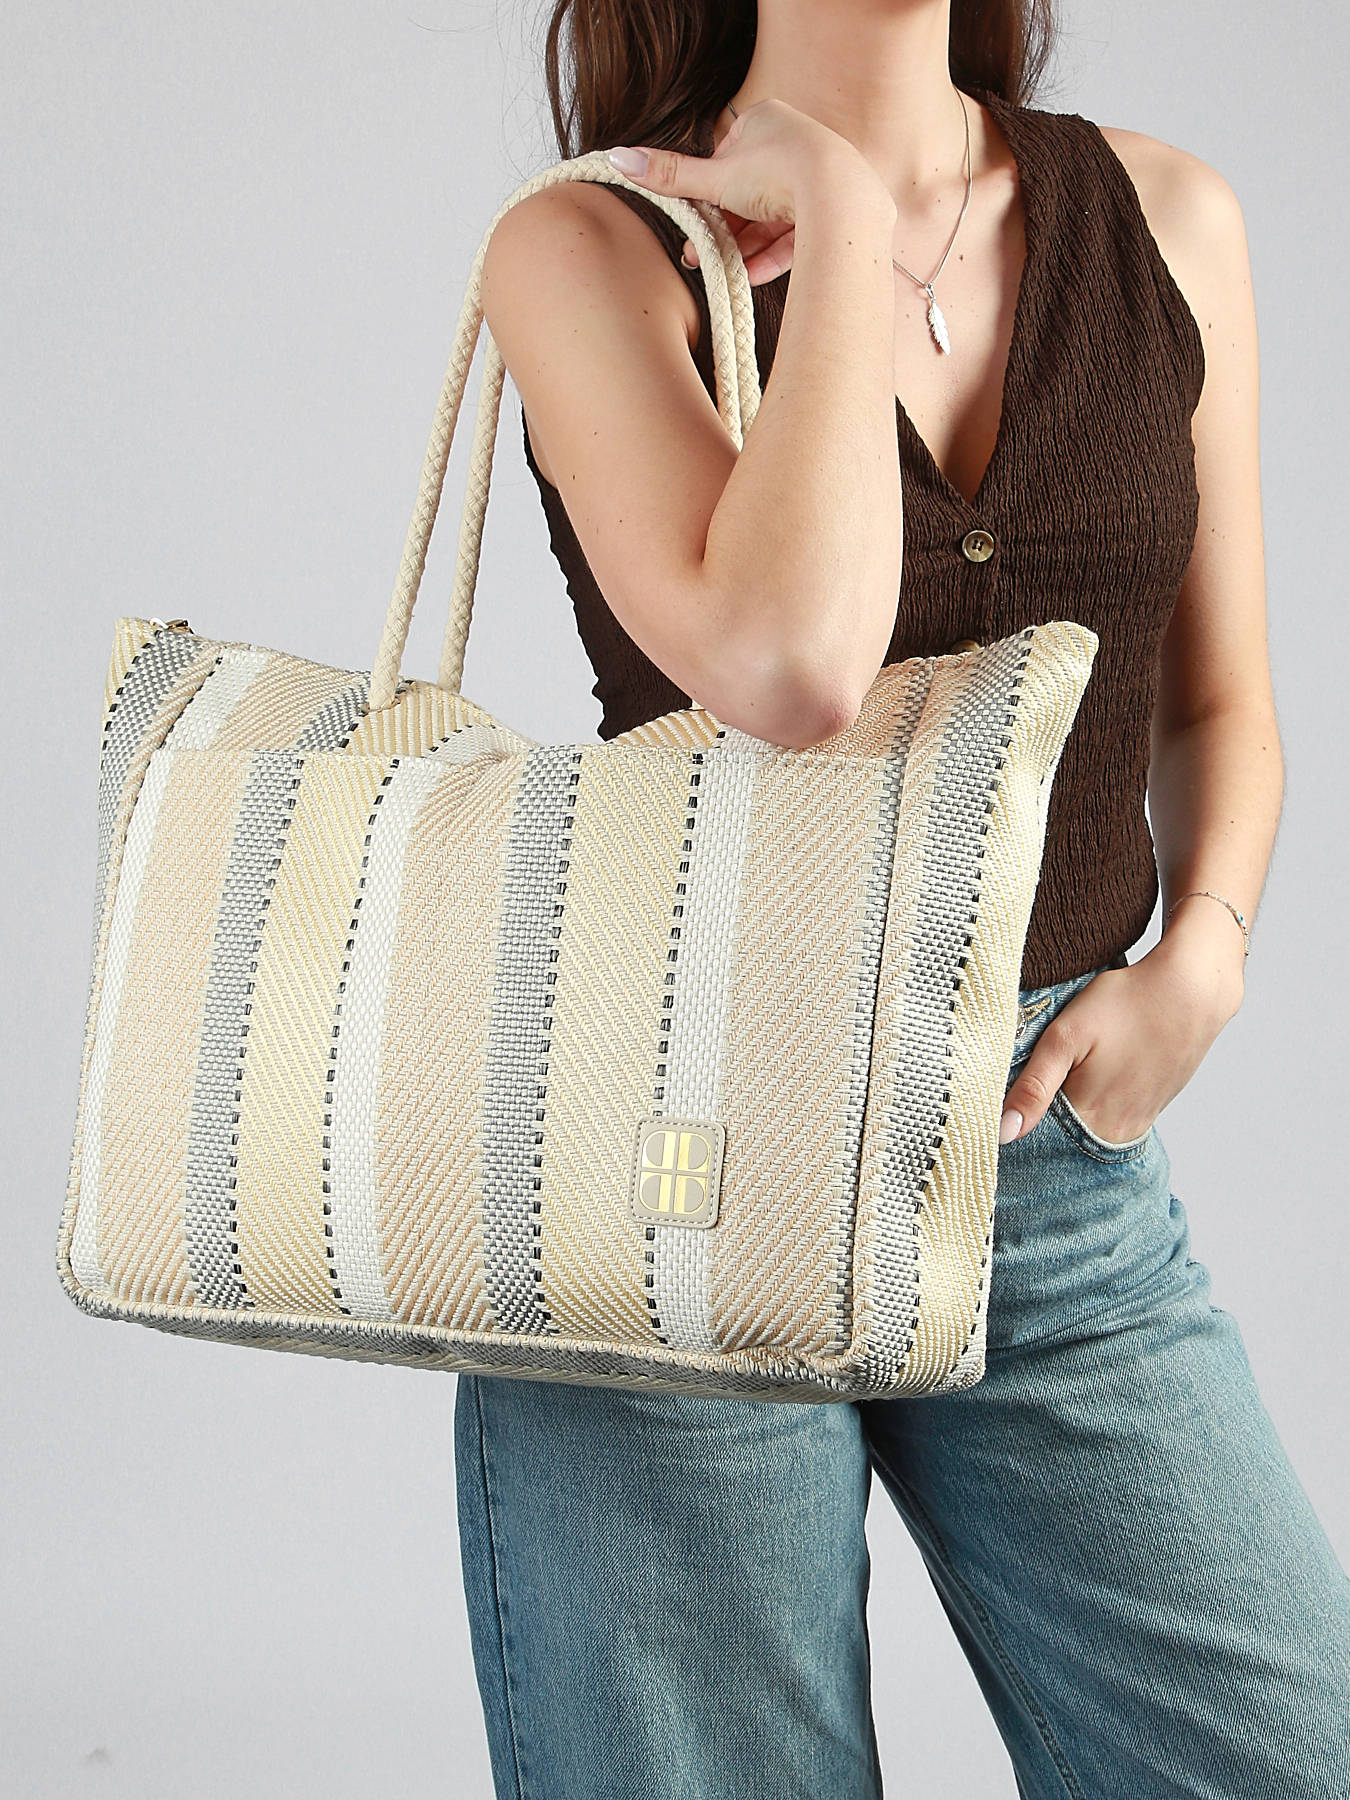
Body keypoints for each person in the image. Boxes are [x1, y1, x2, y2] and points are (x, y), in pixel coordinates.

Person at [452, 2, 1350, 1793]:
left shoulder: (1166, 219)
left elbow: (1213, 700)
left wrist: (1208, 951)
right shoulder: (587, 247)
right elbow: (789, 664)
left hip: (1043, 1164)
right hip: (677, 1167)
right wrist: (844, 227)